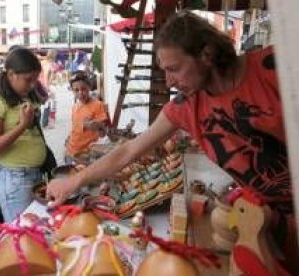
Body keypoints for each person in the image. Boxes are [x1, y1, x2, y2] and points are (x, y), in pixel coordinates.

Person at [47, 11, 297, 272]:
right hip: (266, 224)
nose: (168, 82)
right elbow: (128, 150)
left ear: (207, 55)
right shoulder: (186, 105)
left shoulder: (274, 66)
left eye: (174, 69)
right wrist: (73, 182)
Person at [0, 47, 46, 223]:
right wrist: (22, 126)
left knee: (34, 231)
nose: (33, 85)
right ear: (11, 74)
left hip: (33, 175)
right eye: (28, 80)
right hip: (14, 179)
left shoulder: (25, 96)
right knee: (21, 234)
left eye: (35, 79)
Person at [65, 71, 108, 164]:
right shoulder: (75, 106)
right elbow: (75, 127)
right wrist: (69, 138)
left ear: (89, 87)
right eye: (76, 90)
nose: (80, 93)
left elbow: (103, 132)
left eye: (83, 89)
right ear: (72, 90)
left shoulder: (98, 105)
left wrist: (96, 125)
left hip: (85, 155)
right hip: (70, 151)